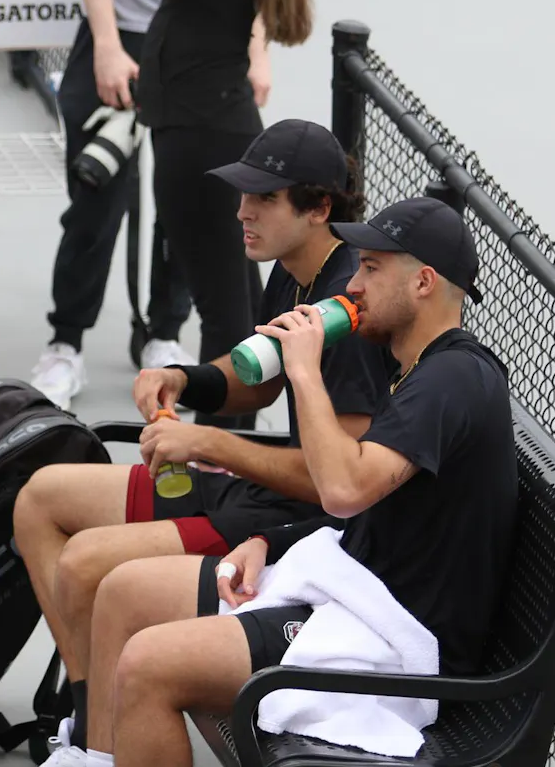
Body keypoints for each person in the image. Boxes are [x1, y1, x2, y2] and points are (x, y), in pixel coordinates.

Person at [60, 196, 516, 767]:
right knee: (125, 592)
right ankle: (92, 759)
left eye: (371, 268)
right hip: (356, 587)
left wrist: (303, 367)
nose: (352, 284)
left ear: (423, 282)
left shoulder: (452, 379)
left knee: (149, 665)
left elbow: (345, 490)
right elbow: (363, 508)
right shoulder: (420, 369)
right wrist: (268, 543)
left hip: (394, 642)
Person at [20, 119, 392, 763]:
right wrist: (180, 379)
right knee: (41, 500)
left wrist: (209, 447)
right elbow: (256, 380)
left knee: (85, 565)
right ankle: (87, 722)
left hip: (298, 524)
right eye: (244, 194)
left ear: (319, 207)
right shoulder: (296, 268)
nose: (242, 211)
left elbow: (341, 489)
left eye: (264, 199)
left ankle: (93, 743)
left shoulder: (347, 314)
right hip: (260, 486)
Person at [31, 0, 276, 410]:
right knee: (96, 196)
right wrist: (106, 45)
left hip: (195, 44)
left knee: (186, 203)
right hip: (117, 33)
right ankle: (66, 343)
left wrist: (256, 50)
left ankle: (164, 333)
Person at [106, 0, 313, 430]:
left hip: (202, 135)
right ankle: (228, 449)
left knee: (224, 311)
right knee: (237, 303)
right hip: (207, 126)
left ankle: (216, 457)